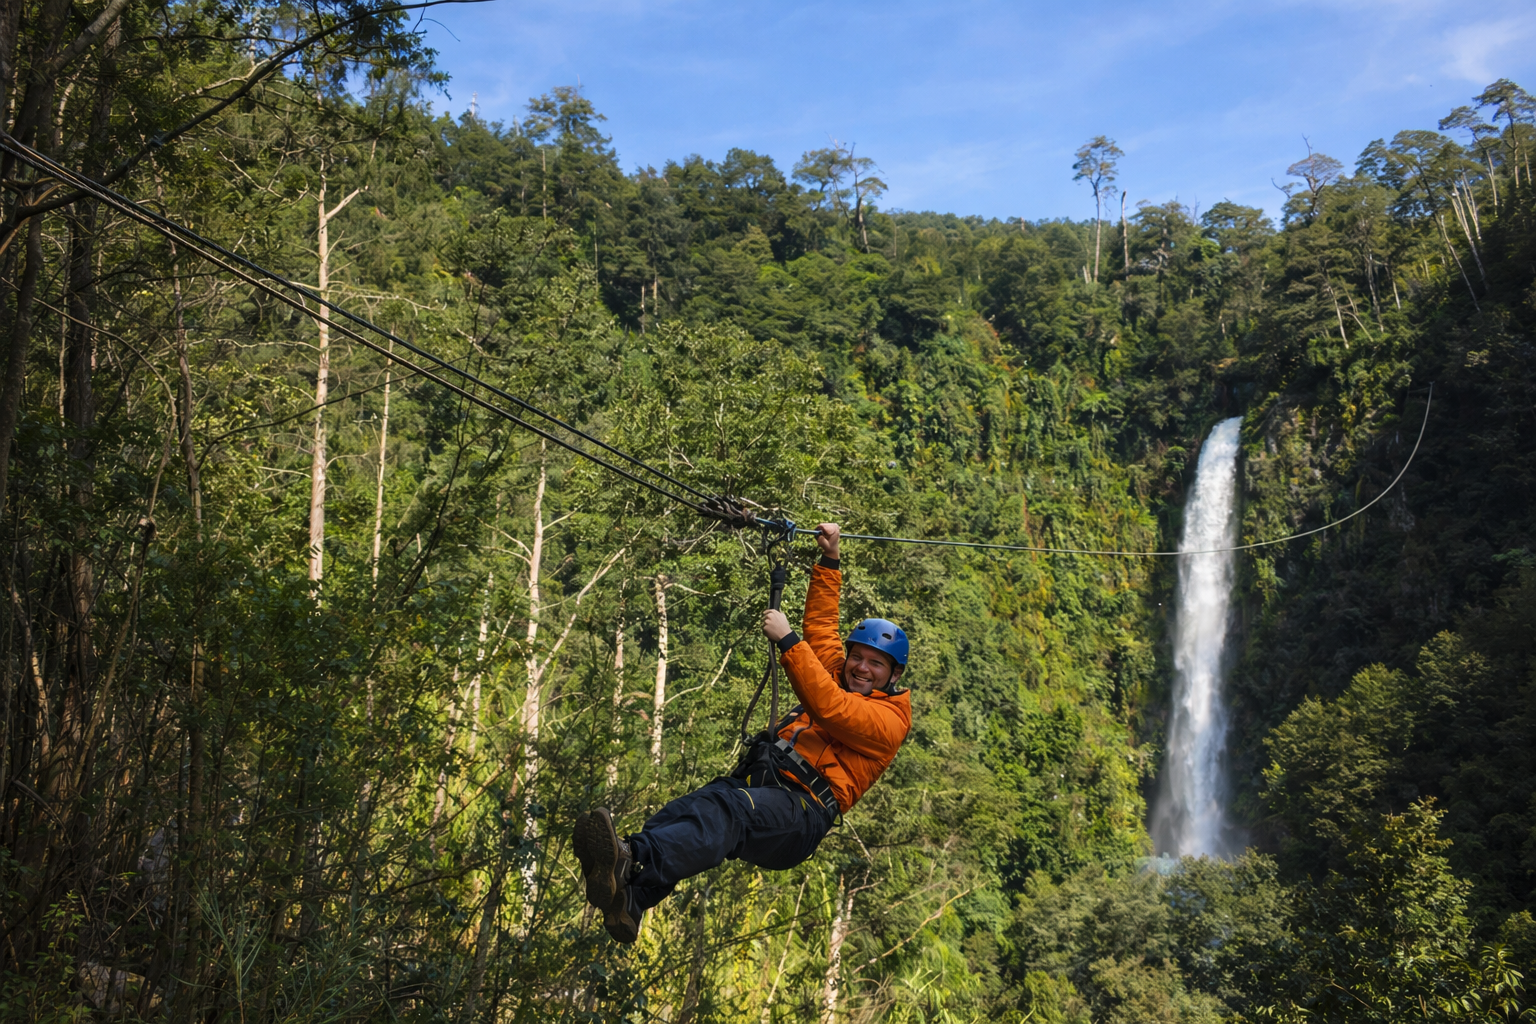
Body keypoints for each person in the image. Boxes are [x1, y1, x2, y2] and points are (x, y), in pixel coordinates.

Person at [572, 522, 912, 944]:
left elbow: (831, 709)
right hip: (769, 787)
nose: (861, 667)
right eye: (857, 657)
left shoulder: (889, 722)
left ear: (893, 675)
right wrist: (830, 559)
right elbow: (823, 628)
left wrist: (787, 641)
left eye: (875, 664)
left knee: (728, 812)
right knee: (685, 811)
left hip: (802, 814)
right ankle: (631, 899)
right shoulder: (838, 672)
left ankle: (631, 856)